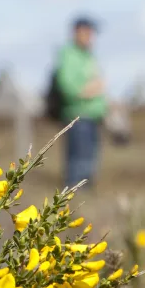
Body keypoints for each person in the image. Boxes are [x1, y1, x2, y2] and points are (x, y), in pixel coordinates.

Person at [54, 17, 107, 189]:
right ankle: (74, 200)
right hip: (78, 117)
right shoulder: (68, 55)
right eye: (87, 32)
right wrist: (91, 89)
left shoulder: (87, 55)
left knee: (89, 162)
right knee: (79, 163)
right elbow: (67, 86)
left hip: (92, 117)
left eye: (92, 33)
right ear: (77, 31)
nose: (90, 36)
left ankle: (84, 198)